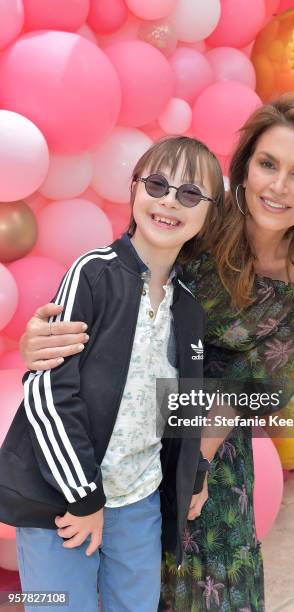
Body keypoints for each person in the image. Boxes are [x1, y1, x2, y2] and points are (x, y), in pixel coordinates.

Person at [19, 94, 294, 611]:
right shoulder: (199, 221)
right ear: (244, 170)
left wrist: (192, 473)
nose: (277, 185)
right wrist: (45, 341)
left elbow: (246, 395)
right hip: (120, 432)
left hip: (208, 454)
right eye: (268, 164)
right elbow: (122, 288)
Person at [0, 136, 224, 612]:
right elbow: (48, 391)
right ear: (135, 190)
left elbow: (185, 405)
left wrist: (196, 474)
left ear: (209, 213)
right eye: (158, 184)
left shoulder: (190, 310)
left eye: (189, 193)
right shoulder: (93, 273)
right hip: (61, 499)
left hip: (138, 500)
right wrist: (83, 498)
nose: (168, 200)